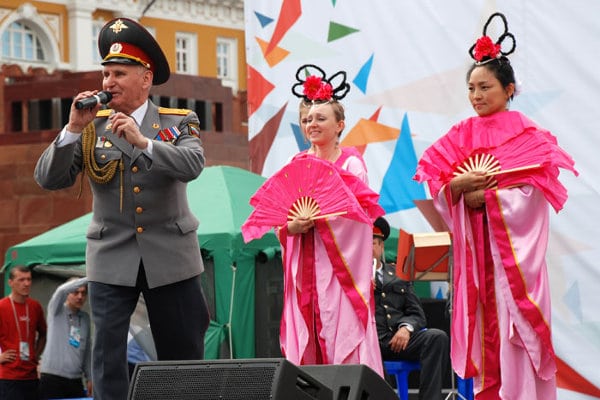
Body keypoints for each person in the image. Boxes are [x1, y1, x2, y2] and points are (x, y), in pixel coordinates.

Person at [34, 17, 210, 400]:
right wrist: (72, 131)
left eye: (118, 73)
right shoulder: (91, 127)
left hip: (171, 254)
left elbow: (193, 166)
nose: (107, 82)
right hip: (111, 254)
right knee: (107, 356)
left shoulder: (177, 122)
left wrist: (144, 143)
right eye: (106, 73)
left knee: (183, 356)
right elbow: (48, 179)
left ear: (145, 78)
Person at [414, 13, 577, 400]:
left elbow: (532, 198)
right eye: (471, 88)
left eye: (485, 87)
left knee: (514, 331)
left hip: (511, 265)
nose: (476, 96)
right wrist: (456, 185)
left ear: (509, 89)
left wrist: (482, 195)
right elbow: (439, 191)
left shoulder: (529, 136)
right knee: (486, 331)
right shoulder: (460, 135)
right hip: (479, 261)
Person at [276, 65, 384, 374]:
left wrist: (320, 219)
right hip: (304, 266)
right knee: (307, 331)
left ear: (339, 125)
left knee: (340, 327)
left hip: (338, 268)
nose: (312, 124)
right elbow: (281, 217)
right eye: (307, 119)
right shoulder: (293, 163)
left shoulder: (351, 162)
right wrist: (290, 227)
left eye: (320, 118)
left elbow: (357, 218)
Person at [372, 216, 449, 399]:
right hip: (371, 341)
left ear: (382, 247)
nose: (368, 248)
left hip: (399, 339)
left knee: (437, 337)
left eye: (373, 243)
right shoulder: (353, 277)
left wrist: (406, 328)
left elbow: (417, 314)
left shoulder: (398, 275)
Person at [39, 277, 92, 399]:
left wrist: (90, 378)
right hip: (52, 378)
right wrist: (90, 278)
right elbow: (60, 290)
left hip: (75, 380)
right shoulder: (56, 310)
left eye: (83, 293)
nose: (80, 297)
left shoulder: (85, 318)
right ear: (68, 294)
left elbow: (87, 352)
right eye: (75, 292)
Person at [0, 265, 47, 400]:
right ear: (10, 283)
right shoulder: (2, 307)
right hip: (8, 377)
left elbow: (43, 334)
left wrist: (36, 354)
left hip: (31, 376)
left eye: (29, 279)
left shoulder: (35, 306)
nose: (26, 284)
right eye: (21, 280)